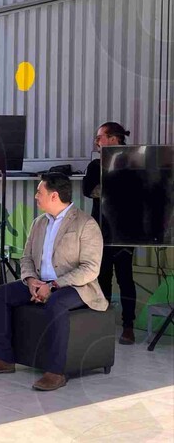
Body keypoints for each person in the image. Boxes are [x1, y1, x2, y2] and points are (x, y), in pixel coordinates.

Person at [0, 173, 108, 391]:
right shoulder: (39, 223)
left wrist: (53, 285)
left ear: (54, 196)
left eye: (39, 192)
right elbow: (26, 257)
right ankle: (4, 359)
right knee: (0, 295)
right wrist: (30, 280)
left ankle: (56, 371)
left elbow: (90, 268)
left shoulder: (86, 224)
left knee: (55, 303)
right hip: (38, 282)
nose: (36, 196)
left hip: (75, 287)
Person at [83, 121, 137, 344]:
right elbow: (89, 190)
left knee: (125, 278)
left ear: (114, 138)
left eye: (100, 137)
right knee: (102, 277)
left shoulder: (134, 162)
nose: (97, 142)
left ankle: (128, 326)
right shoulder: (96, 165)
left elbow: (141, 191)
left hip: (126, 231)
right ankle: (103, 324)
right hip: (101, 231)